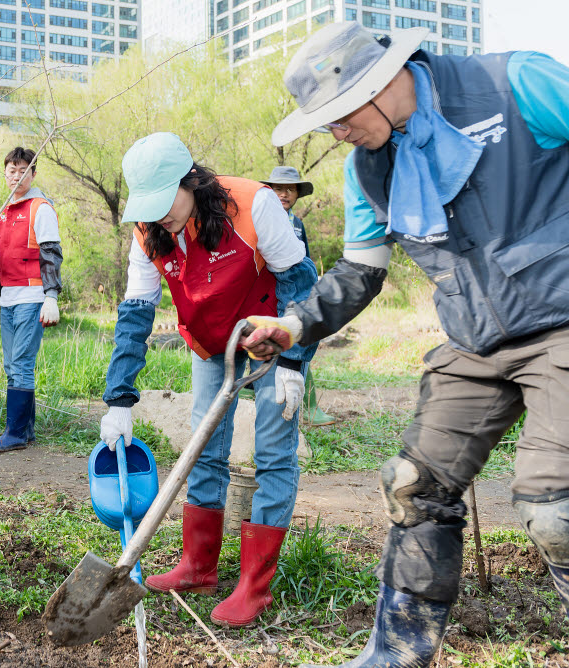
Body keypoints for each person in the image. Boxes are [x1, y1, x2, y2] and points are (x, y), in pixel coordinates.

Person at [247, 22, 569, 667]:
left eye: (338, 116)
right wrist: (295, 324)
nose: (333, 131)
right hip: (475, 341)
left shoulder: (516, 83)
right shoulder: (368, 170)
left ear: (384, 82)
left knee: (554, 507)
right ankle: (396, 653)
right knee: (412, 485)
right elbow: (361, 271)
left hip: (564, 322)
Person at [99, 132, 318, 628]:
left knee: (274, 449)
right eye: (148, 207)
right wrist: (120, 399)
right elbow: (136, 314)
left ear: (192, 181)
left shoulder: (253, 204)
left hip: (268, 335)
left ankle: (254, 587)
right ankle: (198, 567)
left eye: (166, 202)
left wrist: (291, 361)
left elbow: (302, 283)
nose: (159, 216)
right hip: (208, 345)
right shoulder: (146, 231)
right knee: (203, 447)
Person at [0, 146, 62, 453]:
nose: (17, 176)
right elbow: (1, 259)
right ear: (5, 174)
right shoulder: (5, 210)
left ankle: (14, 433)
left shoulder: (40, 207)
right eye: (11, 170)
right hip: (9, 298)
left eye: (23, 170)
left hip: (32, 297)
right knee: (10, 364)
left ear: (33, 173)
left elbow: (51, 254)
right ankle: (25, 430)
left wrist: (51, 296)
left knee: (21, 363)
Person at [259, 166, 335, 427]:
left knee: (298, 344)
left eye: (290, 189)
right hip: (266, 293)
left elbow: (305, 260)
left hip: (293, 294)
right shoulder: (261, 217)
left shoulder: (297, 224)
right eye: (279, 188)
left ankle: (310, 406)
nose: (284, 194)